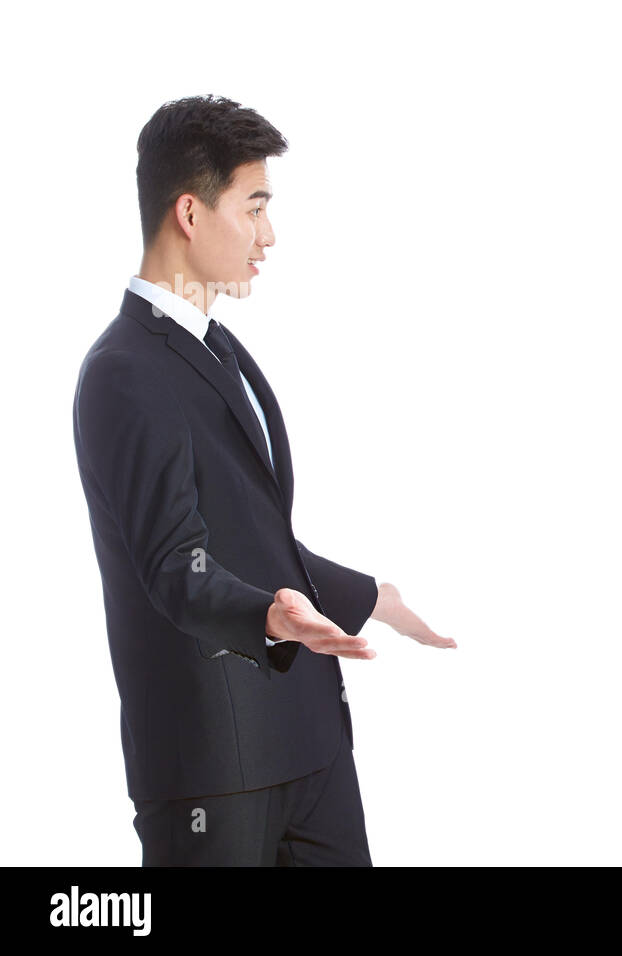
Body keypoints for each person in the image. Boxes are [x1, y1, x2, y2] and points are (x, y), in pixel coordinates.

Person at [72, 94, 456, 866]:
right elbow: (175, 567)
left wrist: (369, 595)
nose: (269, 235)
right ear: (190, 212)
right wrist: (273, 619)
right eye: (254, 207)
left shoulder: (220, 350)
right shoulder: (123, 373)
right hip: (214, 768)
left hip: (308, 745)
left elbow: (250, 533)